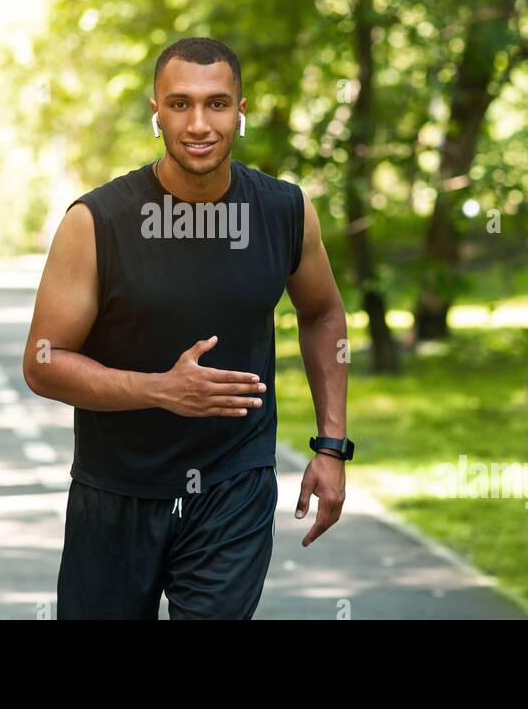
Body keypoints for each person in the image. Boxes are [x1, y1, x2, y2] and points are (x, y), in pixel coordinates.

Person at [23, 37, 354, 619]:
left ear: (240, 111)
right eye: (179, 104)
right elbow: (43, 361)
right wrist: (159, 390)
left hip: (234, 486)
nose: (199, 123)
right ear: (156, 111)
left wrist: (331, 446)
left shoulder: (284, 211)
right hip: (117, 491)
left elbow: (322, 312)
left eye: (217, 104)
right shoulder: (97, 221)